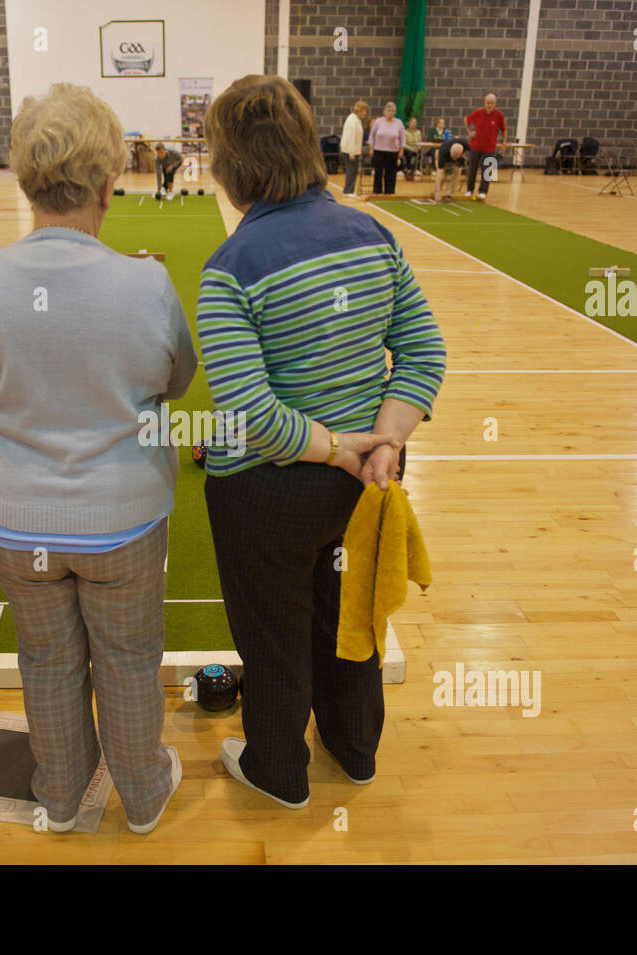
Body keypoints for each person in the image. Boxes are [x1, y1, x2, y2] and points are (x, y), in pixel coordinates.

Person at [0, 82, 197, 835]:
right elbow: (176, 380)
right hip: (124, 520)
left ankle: (62, 795)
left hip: (16, 523)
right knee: (130, 659)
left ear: (27, 178)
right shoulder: (148, 282)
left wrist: (11, 407)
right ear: (109, 183)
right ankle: (141, 794)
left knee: (46, 661)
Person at [198, 74, 445, 809]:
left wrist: (340, 445)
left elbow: (252, 416)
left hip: (270, 492)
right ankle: (355, 748)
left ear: (232, 165)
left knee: (275, 637)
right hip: (365, 482)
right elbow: (425, 353)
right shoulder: (373, 233)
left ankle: (278, 768)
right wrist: (385, 445)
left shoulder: (230, 269)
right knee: (351, 616)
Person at [464, 93, 506, 201]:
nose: (489, 105)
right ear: (485, 103)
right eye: (488, 103)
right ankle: (469, 189)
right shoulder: (478, 113)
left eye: (492, 103)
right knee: (472, 169)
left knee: (487, 171)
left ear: (495, 104)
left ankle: (483, 191)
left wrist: (503, 144)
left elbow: (504, 130)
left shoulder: (499, 116)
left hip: (490, 148)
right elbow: (466, 120)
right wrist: (470, 132)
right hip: (475, 146)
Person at [368, 101, 405, 194]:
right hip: (379, 150)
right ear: (385, 111)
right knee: (378, 172)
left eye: (392, 111)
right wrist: (371, 148)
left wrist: (401, 150)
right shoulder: (378, 121)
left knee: (391, 173)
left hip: (392, 151)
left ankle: (390, 191)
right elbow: (372, 136)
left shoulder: (398, 123)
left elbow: (402, 138)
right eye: (388, 110)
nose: (390, 112)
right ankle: (377, 191)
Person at [339, 100, 369, 196]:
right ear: (359, 110)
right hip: (350, 150)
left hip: (354, 150)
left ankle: (350, 189)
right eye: (364, 111)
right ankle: (348, 190)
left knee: (353, 171)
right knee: (351, 171)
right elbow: (351, 136)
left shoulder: (356, 120)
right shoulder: (352, 120)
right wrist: (352, 152)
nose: (365, 113)